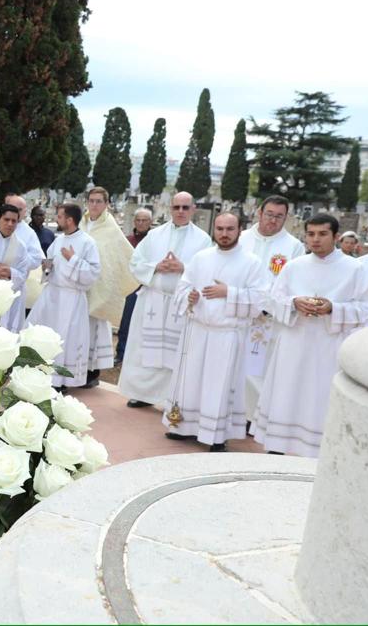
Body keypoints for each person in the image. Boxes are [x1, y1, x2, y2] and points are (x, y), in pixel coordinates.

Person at [252, 214, 368, 457]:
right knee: (286, 393)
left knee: (318, 397)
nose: (315, 239)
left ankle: (316, 452)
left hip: (327, 347)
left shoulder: (354, 269)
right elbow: (272, 301)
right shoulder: (294, 266)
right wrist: (294, 302)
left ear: (336, 237)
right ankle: (277, 447)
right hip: (294, 343)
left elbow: (367, 308)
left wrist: (333, 308)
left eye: (322, 234)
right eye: (311, 234)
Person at [163, 213, 271, 451]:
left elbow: (261, 300)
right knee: (190, 381)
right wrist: (188, 297)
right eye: (220, 228)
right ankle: (182, 426)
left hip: (227, 334)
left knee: (218, 385)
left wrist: (228, 292)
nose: (224, 233)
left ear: (239, 230)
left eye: (229, 229)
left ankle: (216, 435)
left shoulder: (251, 262)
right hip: (198, 330)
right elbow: (183, 287)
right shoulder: (201, 258)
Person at [118, 191, 212, 409]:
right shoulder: (155, 235)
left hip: (179, 305)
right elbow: (136, 262)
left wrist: (183, 267)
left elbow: (207, 269)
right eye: (176, 207)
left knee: (174, 352)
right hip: (152, 300)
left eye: (185, 207)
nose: (180, 211)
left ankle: (170, 397)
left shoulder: (203, 240)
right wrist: (156, 267)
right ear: (170, 209)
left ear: (193, 209)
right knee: (143, 346)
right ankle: (141, 394)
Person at [239, 196, 305, 427]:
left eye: (279, 216)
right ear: (259, 213)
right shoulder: (242, 237)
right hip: (236, 313)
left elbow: (291, 283)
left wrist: (267, 306)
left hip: (266, 319)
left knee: (257, 370)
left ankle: (251, 417)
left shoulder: (293, 246)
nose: (273, 221)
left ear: (285, 218)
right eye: (269, 214)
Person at [26, 202, 101, 387]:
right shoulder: (58, 240)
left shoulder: (88, 242)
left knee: (65, 339)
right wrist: (47, 267)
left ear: (69, 219)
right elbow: (49, 263)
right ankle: (41, 374)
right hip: (52, 296)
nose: (57, 219)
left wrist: (73, 259)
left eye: (59, 216)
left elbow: (93, 274)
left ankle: (61, 381)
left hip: (72, 298)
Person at [79, 187, 139, 386]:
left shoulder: (110, 227)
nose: (94, 205)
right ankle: (77, 368)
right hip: (79, 284)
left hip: (100, 285)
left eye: (98, 201)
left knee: (95, 329)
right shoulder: (82, 223)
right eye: (91, 201)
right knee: (79, 329)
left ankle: (92, 372)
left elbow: (121, 254)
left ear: (106, 204)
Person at [115, 208, 153, 363]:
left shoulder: (154, 240)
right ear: (134, 221)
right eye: (138, 220)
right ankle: (121, 353)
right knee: (126, 321)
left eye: (145, 220)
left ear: (150, 222)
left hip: (148, 287)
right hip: (130, 287)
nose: (141, 223)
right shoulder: (127, 240)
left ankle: (141, 356)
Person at [4, 193, 46, 275]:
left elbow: (36, 259)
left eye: (19, 210)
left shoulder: (29, 233)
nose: (15, 212)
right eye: (12, 209)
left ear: (25, 211)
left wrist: (17, 258)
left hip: (15, 279)